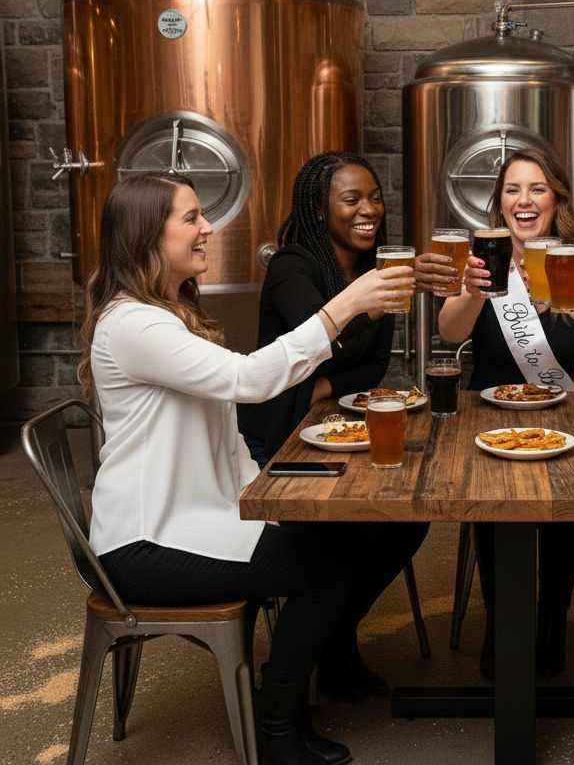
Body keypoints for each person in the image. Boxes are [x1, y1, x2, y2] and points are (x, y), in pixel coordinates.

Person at [79, 172, 415, 765]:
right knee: (324, 570)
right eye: (190, 218)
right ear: (145, 237)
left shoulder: (169, 312)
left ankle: (296, 701)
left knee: (333, 540)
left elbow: (226, 427)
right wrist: (345, 306)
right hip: (143, 540)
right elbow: (251, 381)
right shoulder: (133, 323)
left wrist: (260, 501)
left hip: (195, 518)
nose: (208, 226)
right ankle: (276, 727)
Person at [415, 147, 574, 678]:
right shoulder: (480, 262)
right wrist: (477, 291)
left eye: (537, 189)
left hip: (565, 419)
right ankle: (502, 624)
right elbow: (450, 333)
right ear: (499, 204)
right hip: (488, 420)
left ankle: (550, 621)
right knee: (490, 499)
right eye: (512, 190)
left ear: (557, 201)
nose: (524, 200)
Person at [237, 151, 429, 701]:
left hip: (331, 425)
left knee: (404, 518)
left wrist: (320, 386)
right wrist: (359, 317)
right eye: (352, 200)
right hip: (272, 442)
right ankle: (324, 654)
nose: (369, 209)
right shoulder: (291, 266)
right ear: (320, 211)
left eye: (374, 197)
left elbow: (367, 368)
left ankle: (336, 640)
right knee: (339, 529)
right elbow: (317, 342)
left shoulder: (375, 273)